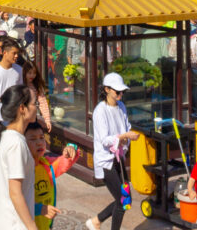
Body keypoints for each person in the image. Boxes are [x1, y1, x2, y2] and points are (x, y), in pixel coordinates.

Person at [0, 86, 52, 230]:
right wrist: (32, 227)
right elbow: (15, 192)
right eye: (34, 104)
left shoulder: (3, 136)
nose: (37, 108)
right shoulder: (16, 143)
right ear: (22, 108)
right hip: (14, 224)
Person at [86, 73, 138, 230]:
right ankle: (97, 222)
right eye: (117, 91)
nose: (120, 94)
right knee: (123, 201)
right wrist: (124, 136)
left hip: (118, 158)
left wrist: (126, 138)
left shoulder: (121, 106)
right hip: (105, 162)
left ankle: (96, 221)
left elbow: (126, 127)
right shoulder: (100, 111)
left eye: (122, 91)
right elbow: (104, 139)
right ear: (107, 89)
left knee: (125, 200)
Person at [25, 121, 77, 230]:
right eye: (33, 139)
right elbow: (17, 201)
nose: (39, 143)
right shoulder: (21, 171)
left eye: (41, 138)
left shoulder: (47, 165)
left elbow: (65, 161)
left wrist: (71, 148)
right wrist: (39, 209)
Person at [0, 38, 24, 116]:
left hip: (12, 116)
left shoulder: (19, 70)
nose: (16, 56)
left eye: (17, 53)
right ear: (5, 52)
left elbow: (19, 93)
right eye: (14, 53)